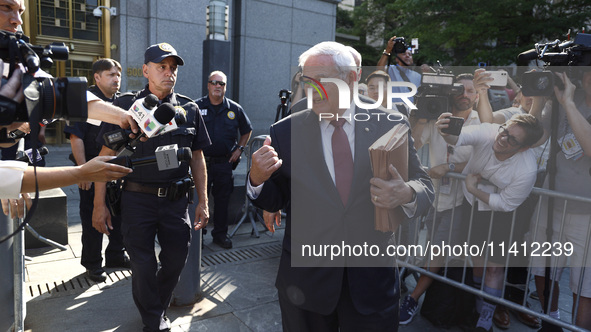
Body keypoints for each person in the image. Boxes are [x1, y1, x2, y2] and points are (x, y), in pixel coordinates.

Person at [248, 41, 433, 331]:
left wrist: (406, 192)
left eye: (322, 80)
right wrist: (257, 178)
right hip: (306, 287)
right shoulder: (285, 131)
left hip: (371, 286)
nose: (312, 89)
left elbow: (425, 187)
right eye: (306, 81)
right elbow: (275, 200)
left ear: (352, 78)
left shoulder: (390, 124)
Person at [92, 43, 210, 332]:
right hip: (136, 198)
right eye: (161, 67)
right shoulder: (124, 107)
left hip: (176, 200)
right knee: (142, 265)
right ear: (146, 70)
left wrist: (203, 201)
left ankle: (154, 305)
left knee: (175, 261)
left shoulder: (190, 109)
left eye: (173, 68)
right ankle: (154, 319)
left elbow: (198, 157)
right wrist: (99, 205)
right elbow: (104, 157)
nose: (169, 73)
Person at [438, 113, 544, 332]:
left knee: (494, 268)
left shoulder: (527, 169)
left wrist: (474, 188)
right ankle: (479, 307)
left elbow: (505, 203)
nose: (503, 139)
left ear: (524, 148)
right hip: (474, 207)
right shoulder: (490, 132)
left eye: (512, 140)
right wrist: (447, 131)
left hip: (505, 215)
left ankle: (485, 318)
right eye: (504, 131)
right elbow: (458, 138)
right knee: (478, 262)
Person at [400, 73, 483, 325]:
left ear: (477, 96)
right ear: (451, 93)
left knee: (437, 250)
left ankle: (413, 299)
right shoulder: (439, 118)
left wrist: (448, 168)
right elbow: (411, 145)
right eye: (460, 90)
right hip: (436, 198)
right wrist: (423, 117)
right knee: (434, 249)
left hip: (463, 201)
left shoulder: (483, 122)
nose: (465, 95)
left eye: (470, 91)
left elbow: (482, 161)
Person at [529, 71, 591, 331]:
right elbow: (535, 136)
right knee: (542, 271)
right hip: (551, 202)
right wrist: (540, 98)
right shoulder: (564, 100)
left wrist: (568, 104)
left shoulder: (569, 102)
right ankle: (550, 322)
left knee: (585, 285)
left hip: (586, 214)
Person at [62, 58, 130, 283]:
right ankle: (92, 264)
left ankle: (116, 255)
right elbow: (75, 136)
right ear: (97, 77)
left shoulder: (120, 102)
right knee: (93, 217)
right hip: (92, 168)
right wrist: (83, 171)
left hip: (117, 169)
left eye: (118, 75)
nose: (116, 79)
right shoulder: (86, 101)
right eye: (111, 75)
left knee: (119, 215)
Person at [196, 70, 252, 249]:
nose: (218, 86)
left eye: (221, 83)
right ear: (208, 85)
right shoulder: (197, 106)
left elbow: (246, 130)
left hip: (224, 164)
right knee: (200, 200)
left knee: (222, 202)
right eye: (214, 82)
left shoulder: (234, 109)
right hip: (201, 163)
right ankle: (198, 237)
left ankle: (220, 235)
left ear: (225, 87)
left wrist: (240, 148)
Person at [377, 35, 422, 114]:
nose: (407, 56)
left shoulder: (418, 76)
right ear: (397, 58)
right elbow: (379, 70)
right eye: (404, 54)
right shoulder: (390, 70)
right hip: (392, 113)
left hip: (410, 114)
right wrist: (387, 51)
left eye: (410, 54)